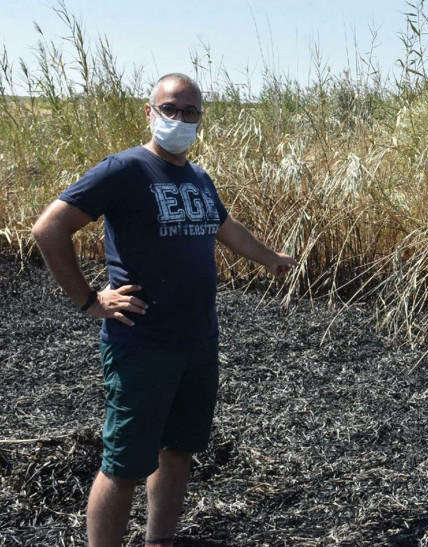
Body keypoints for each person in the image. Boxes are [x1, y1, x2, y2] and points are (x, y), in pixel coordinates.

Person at [31, 73, 298, 547]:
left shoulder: (198, 178)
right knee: (123, 465)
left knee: (178, 450)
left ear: (200, 119)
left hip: (198, 340)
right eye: (169, 109)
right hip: (142, 343)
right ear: (150, 112)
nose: (179, 118)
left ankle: (160, 541)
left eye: (190, 111)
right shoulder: (124, 169)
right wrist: (90, 300)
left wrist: (269, 257)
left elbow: (225, 226)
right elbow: (49, 228)